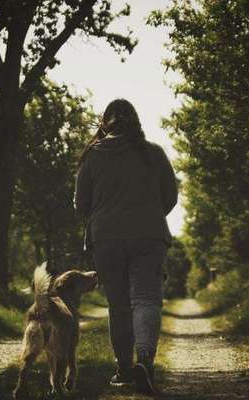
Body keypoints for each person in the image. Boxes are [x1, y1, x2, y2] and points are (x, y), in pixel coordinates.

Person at [74, 98, 178, 395]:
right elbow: (169, 197)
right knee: (146, 299)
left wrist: (104, 217)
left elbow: (81, 205)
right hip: (149, 235)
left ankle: (123, 368)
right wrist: (148, 216)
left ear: (106, 122)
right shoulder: (154, 153)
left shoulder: (93, 155)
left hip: (106, 238)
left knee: (118, 306)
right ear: (136, 120)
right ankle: (145, 361)